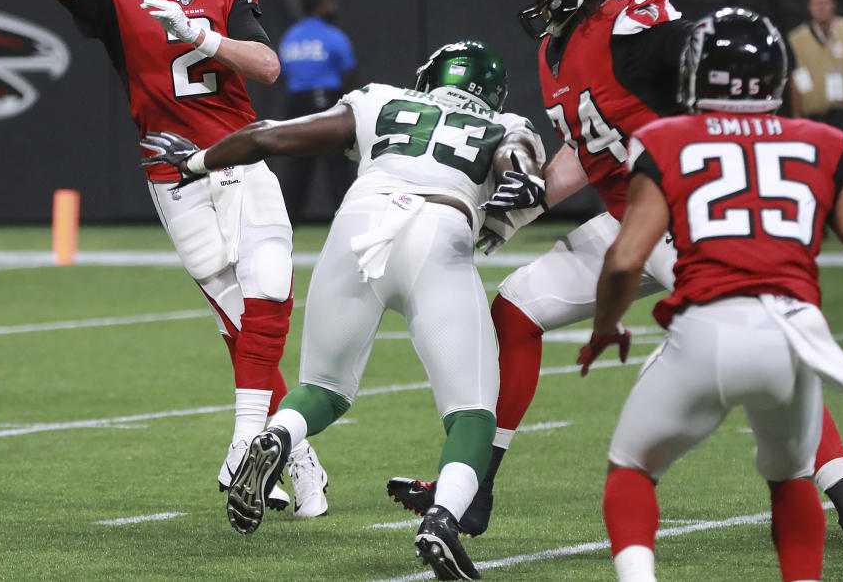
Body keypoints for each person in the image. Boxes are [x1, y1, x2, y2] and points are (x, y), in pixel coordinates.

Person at [387, 0, 843, 548]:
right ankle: (475, 490)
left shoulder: (632, 23)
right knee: (517, 311)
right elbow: (592, 144)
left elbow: (695, 54)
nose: (536, 1)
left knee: (766, 349)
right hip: (624, 215)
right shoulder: (560, 47)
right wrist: (528, 198)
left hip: (679, 211)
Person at [141, 40, 546, 581]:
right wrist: (518, 174)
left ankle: (279, 436)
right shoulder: (507, 123)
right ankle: (443, 519)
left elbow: (273, 136)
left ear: (430, 76)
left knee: (325, 388)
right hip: (440, 232)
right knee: (472, 411)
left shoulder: (383, 99)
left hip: (358, 224)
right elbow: (514, 158)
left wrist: (192, 161)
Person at [11, 0, 329, 519]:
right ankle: (296, 455)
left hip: (241, 152)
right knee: (239, 317)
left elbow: (268, 65)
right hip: (174, 171)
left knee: (267, 289)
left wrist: (202, 35)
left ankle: (247, 442)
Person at [582, 7, 843, 581]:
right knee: (791, 478)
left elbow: (626, 257)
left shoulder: (665, 138)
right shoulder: (826, 143)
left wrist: (605, 327)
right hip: (790, 333)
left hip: (705, 328)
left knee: (631, 468)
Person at [277, 0, 357, 223]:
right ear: (319, 6)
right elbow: (349, 71)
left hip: (297, 99)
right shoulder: (332, 35)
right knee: (337, 163)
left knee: (298, 163)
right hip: (329, 99)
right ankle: (346, 218)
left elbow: (283, 71)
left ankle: (288, 220)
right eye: (330, 2)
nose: (334, 7)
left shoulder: (291, 35)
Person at [789, 0, 843, 142]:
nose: (821, 7)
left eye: (825, 2)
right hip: (814, 116)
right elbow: (795, 79)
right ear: (810, 6)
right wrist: (797, 116)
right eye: (817, 2)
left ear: (833, 4)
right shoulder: (797, 38)